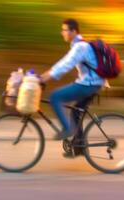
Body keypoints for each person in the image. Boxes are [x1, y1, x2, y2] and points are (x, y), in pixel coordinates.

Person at [40, 18, 105, 157]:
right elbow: (65, 63)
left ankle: (67, 129)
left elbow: (66, 65)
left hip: (89, 84)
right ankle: (79, 148)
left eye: (64, 30)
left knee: (55, 97)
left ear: (73, 31)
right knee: (75, 112)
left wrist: (45, 77)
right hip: (92, 83)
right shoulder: (79, 46)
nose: (62, 32)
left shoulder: (80, 47)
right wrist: (46, 76)